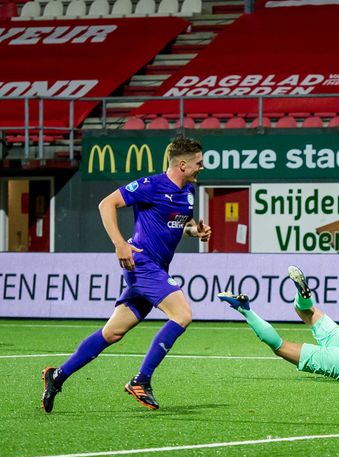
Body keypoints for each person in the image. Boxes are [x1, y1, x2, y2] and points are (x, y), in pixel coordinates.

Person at [41, 135, 212, 413]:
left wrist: (196, 231)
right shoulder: (151, 185)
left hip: (157, 268)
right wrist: (120, 244)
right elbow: (106, 204)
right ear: (182, 165)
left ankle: (57, 376)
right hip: (141, 263)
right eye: (199, 163)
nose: (202, 167)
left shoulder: (188, 192)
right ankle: (141, 380)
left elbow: (179, 223)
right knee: (182, 314)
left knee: (113, 333)